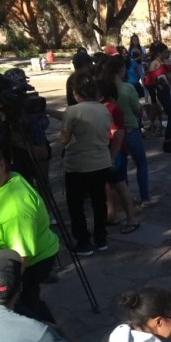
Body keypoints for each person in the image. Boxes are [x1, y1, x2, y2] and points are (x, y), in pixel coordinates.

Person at [0, 141, 59, 323]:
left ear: (1, 165)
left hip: (23, 267)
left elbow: (21, 255)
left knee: (26, 312)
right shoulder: (5, 180)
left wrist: (6, 292)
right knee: (31, 306)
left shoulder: (16, 207)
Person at [60, 68, 113, 256]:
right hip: (101, 161)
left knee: (76, 204)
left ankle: (83, 241)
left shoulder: (72, 111)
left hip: (78, 165)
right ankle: (101, 238)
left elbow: (64, 139)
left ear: (75, 93)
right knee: (99, 202)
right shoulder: (104, 109)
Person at [95, 76, 141, 234]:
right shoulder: (103, 108)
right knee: (108, 185)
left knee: (120, 185)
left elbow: (118, 134)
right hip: (107, 152)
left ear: (101, 95)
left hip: (114, 152)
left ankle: (132, 218)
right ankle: (112, 215)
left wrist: (112, 156)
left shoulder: (112, 109)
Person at [104, 55, 151, 207]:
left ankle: (127, 199)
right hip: (130, 129)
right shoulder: (127, 88)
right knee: (141, 163)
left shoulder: (106, 89)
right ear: (121, 69)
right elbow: (136, 109)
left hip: (114, 132)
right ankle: (145, 197)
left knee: (121, 168)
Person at [146, 42, 171, 153]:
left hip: (169, 91)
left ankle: (169, 142)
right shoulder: (154, 63)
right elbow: (151, 80)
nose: (167, 54)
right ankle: (167, 141)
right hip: (163, 93)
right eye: (165, 52)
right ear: (159, 53)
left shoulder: (162, 62)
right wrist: (159, 85)